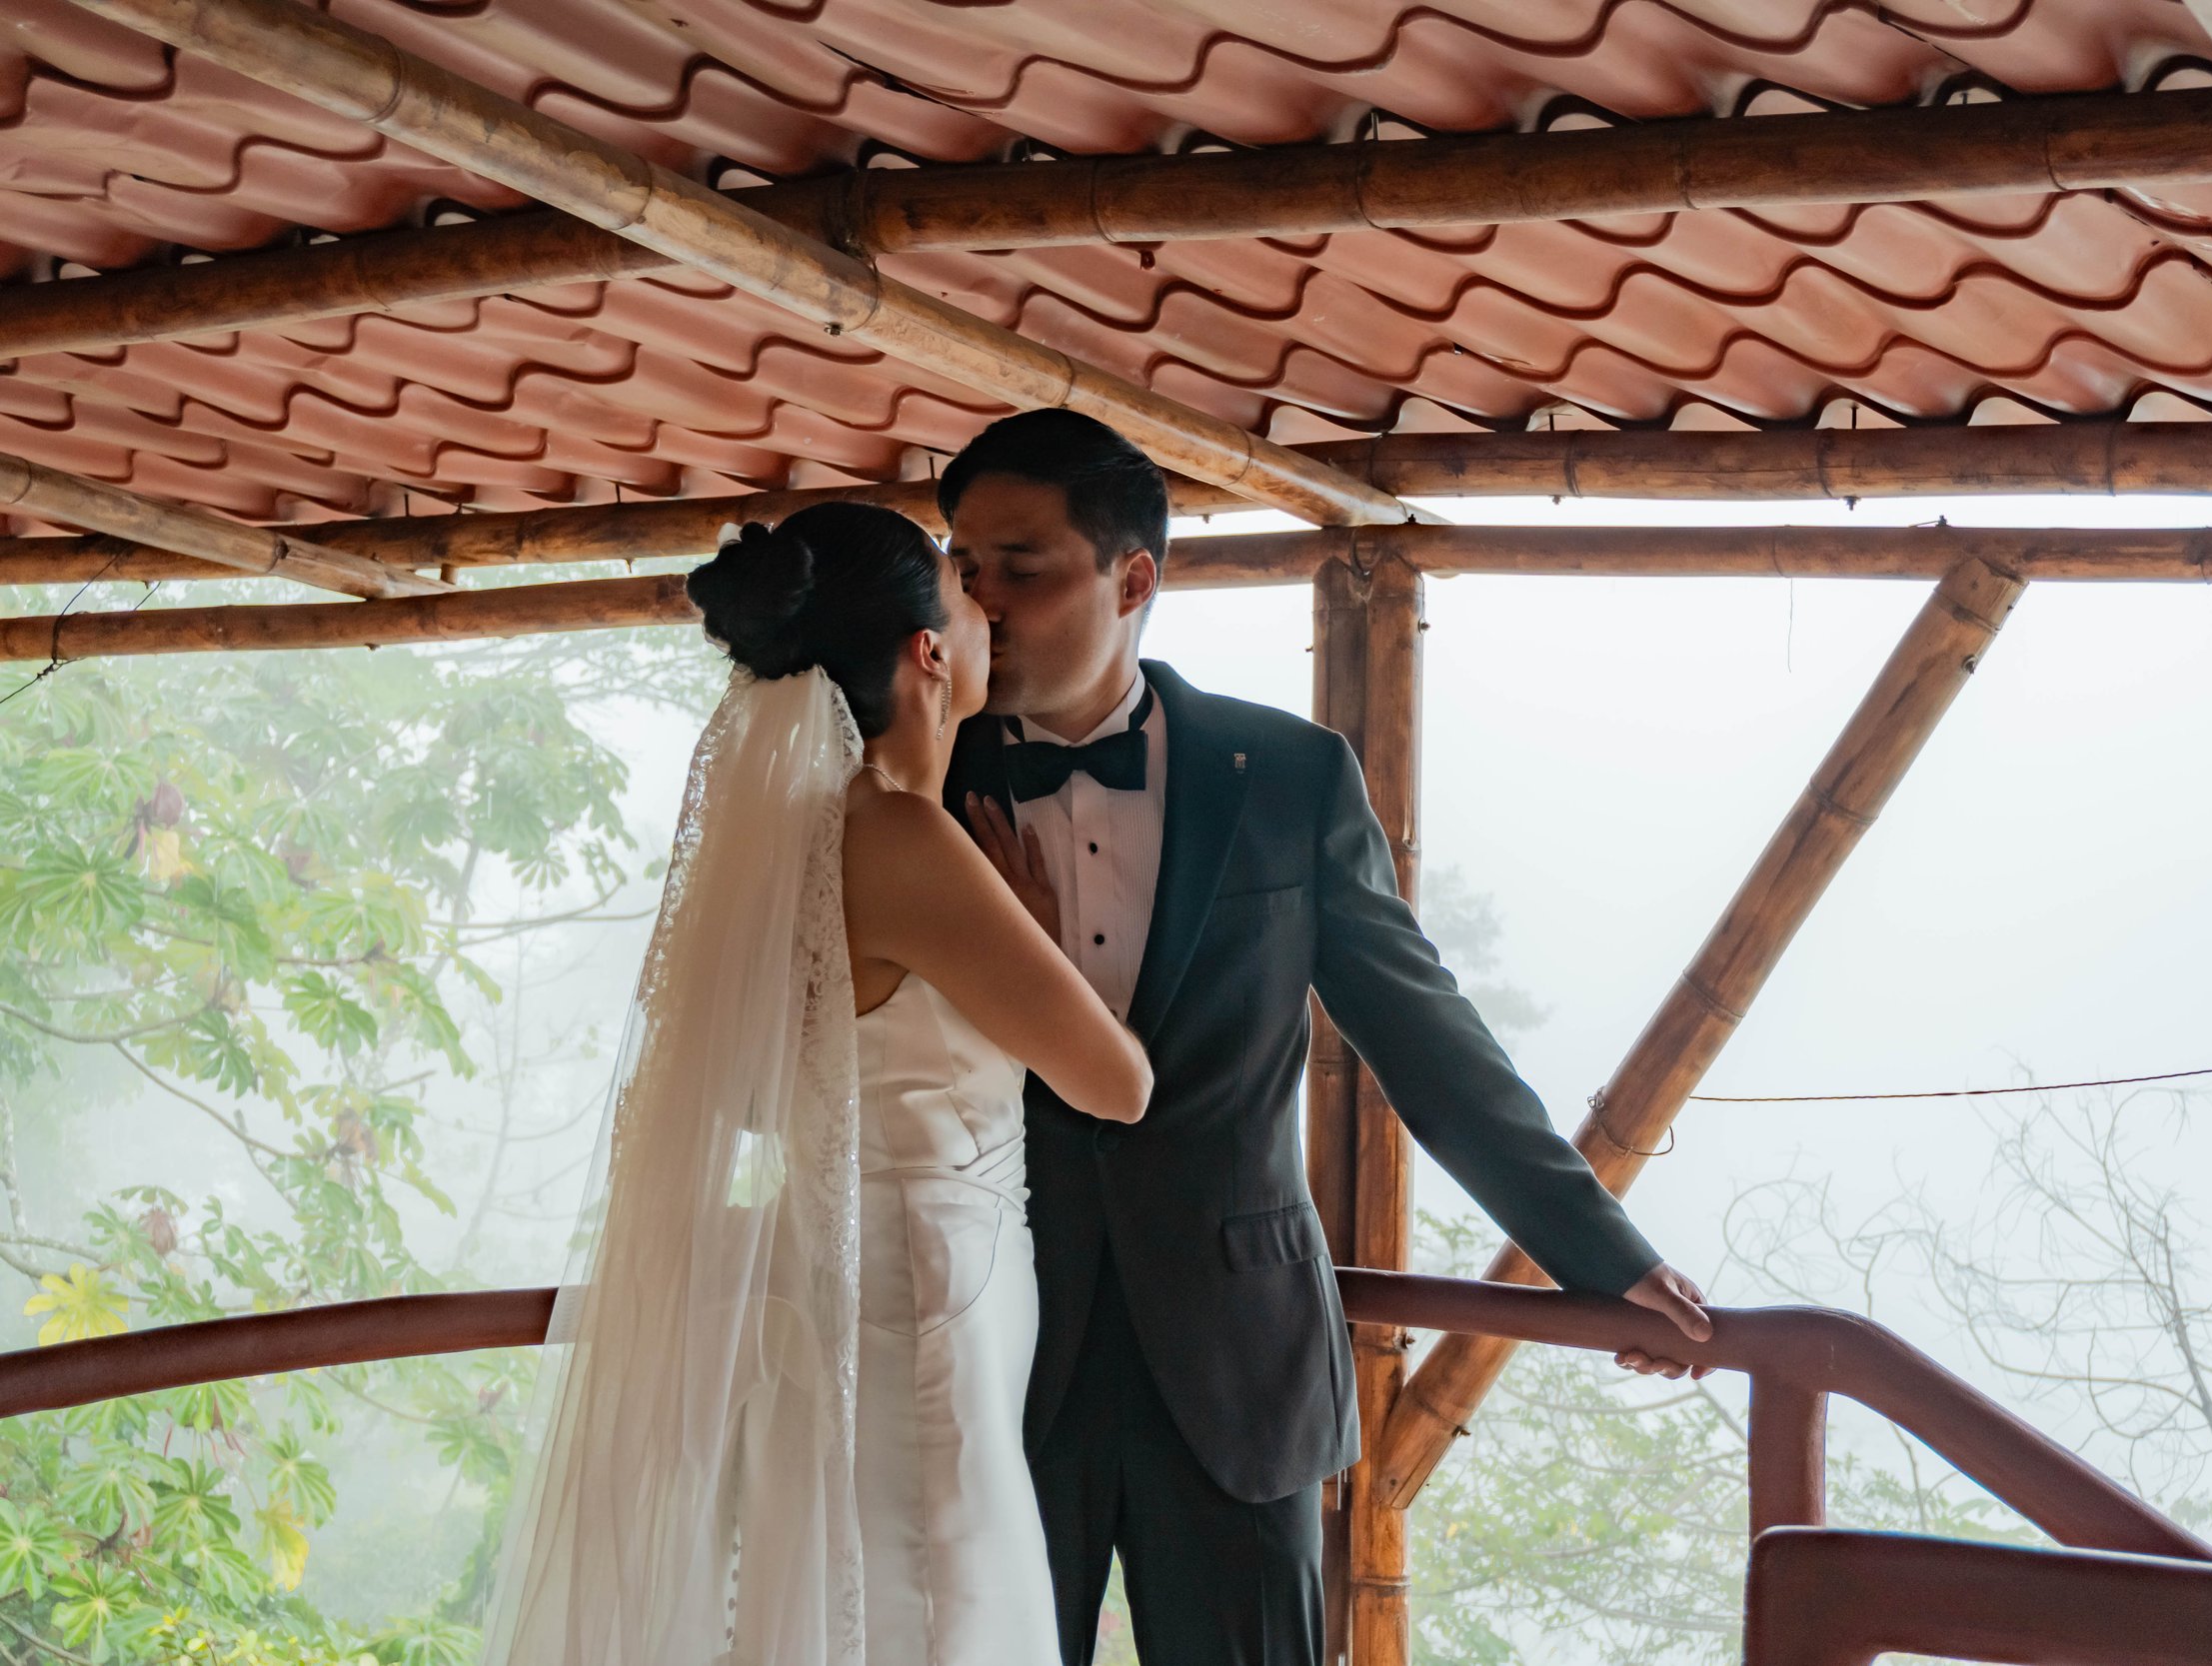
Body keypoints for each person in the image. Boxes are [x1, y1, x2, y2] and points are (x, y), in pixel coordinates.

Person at [938, 411, 1714, 1666]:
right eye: (961, 563)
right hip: (991, 1345)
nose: (980, 600)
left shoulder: (1289, 775)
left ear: (1133, 578)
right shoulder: (913, 784)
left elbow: (1426, 1038)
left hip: (1239, 1362)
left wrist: (1599, 1248)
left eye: (1019, 565)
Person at [479, 502, 1148, 1666]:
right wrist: (1034, 950)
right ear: (926, 652)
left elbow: (737, 1083)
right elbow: (1116, 1083)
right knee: (937, 1598)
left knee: (876, 1588)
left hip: (842, 1271)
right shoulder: (900, 836)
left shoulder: (796, 834)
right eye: (960, 586)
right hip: (929, 1295)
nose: (985, 602)